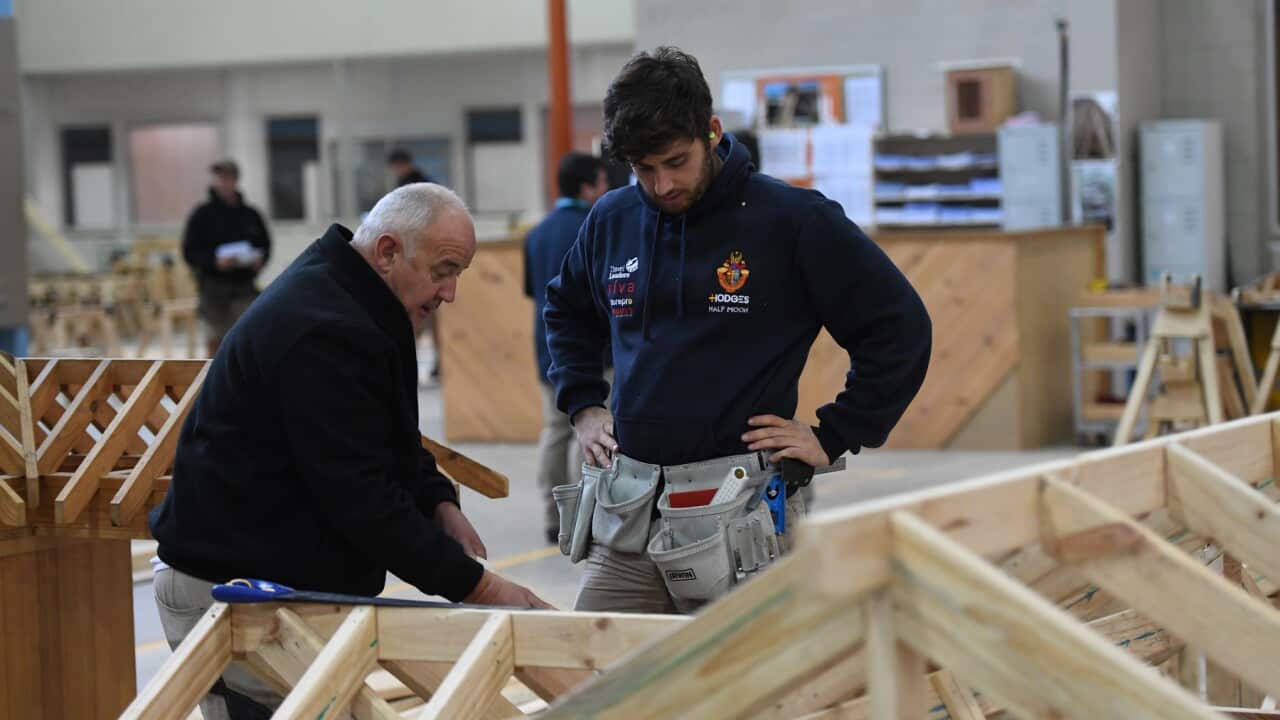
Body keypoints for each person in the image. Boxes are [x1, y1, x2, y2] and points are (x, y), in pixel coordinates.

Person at [544, 47, 932, 614]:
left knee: (755, 691)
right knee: (594, 684)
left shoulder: (793, 220)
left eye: (676, 162)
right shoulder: (612, 218)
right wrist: (582, 403)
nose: (661, 184)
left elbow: (900, 329)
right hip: (629, 511)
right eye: (643, 169)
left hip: (743, 513)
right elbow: (566, 308)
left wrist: (833, 433)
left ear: (712, 131)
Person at [151, 183, 551, 719]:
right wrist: (477, 587)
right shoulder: (323, 330)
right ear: (388, 252)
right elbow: (362, 500)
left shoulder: (362, 300)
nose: (451, 292)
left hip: (283, 584)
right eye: (444, 270)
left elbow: (391, 433)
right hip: (232, 596)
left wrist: (438, 501)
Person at [524, 152, 610, 545]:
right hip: (592, 352)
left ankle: (549, 515)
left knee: (555, 430)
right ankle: (581, 515)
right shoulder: (596, 227)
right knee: (588, 427)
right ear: (588, 186)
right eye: (603, 182)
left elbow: (532, 291)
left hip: (546, 348)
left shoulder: (537, 232)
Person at [181, 160, 272, 357]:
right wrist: (214, 262)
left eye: (227, 178)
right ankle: (214, 383)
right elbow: (190, 251)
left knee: (249, 339)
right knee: (216, 344)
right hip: (214, 290)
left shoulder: (250, 215)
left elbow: (265, 245)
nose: (223, 182)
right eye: (219, 178)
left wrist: (259, 261)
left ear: (235, 180)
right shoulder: (202, 215)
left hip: (245, 287)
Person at [387, 148, 442, 380]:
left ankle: (418, 362)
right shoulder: (420, 183)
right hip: (422, 256)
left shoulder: (414, 186)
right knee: (424, 317)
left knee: (420, 316)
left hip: (420, 257)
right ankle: (427, 361)